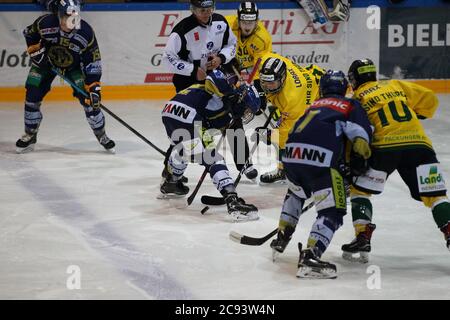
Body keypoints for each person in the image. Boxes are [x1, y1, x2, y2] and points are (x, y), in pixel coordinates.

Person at [341, 59, 450, 263]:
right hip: (419, 146)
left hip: (385, 148)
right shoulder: (395, 85)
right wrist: (418, 114)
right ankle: (449, 230)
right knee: (436, 196)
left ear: (354, 80)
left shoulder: (356, 99)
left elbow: (357, 134)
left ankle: (362, 236)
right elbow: (429, 99)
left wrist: (350, 165)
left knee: (360, 191)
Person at [268, 70, 372, 279]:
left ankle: (282, 235)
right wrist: (359, 164)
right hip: (321, 162)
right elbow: (360, 138)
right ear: (344, 88)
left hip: (291, 157)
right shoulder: (350, 105)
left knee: (296, 193)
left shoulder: (312, 106)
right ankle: (311, 256)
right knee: (333, 211)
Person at [162, 0, 248, 182]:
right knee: (189, 127)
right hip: (189, 83)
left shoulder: (220, 22)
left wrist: (221, 58)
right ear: (193, 9)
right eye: (202, 10)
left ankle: (244, 162)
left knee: (233, 116)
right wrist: (193, 70)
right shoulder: (182, 30)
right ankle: (171, 172)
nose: (207, 13)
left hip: (217, 79)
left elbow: (232, 45)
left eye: (209, 9)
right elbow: (168, 58)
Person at [160, 68, 261, 222]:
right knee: (214, 158)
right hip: (189, 119)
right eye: (247, 109)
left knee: (183, 148)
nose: (247, 113)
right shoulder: (224, 105)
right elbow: (211, 120)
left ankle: (171, 181)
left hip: (169, 113)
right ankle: (232, 201)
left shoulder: (220, 94)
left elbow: (206, 122)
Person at [16, 0, 115, 154]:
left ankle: (101, 134)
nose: (70, 23)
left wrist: (94, 87)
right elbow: (29, 34)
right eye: (66, 18)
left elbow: (93, 61)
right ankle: (30, 133)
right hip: (46, 64)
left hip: (73, 68)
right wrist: (36, 53)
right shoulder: (45, 23)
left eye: (74, 18)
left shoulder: (86, 32)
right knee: (32, 94)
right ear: (59, 15)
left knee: (89, 100)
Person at [255, 53, 325, 184]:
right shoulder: (268, 61)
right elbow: (262, 57)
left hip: (319, 96)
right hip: (306, 80)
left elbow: (286, 135)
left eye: (272, 83)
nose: (267, 87)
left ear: (282, 79)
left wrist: (269, 136)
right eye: (264, 82)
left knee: (307, 135)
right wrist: (259, 91)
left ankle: (295, 170)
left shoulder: (291, 99)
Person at [223, 1, 273, 180]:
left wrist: (257, 89)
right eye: (244, 21)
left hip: (243, 72)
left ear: (257, 20)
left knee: (238, 112)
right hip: (223, 68)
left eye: (251, 22)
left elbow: (259, 68)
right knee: (224, 113)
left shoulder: (262, 38)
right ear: (238, 19)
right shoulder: (226, 25)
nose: (247, 26)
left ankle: (243, 161)